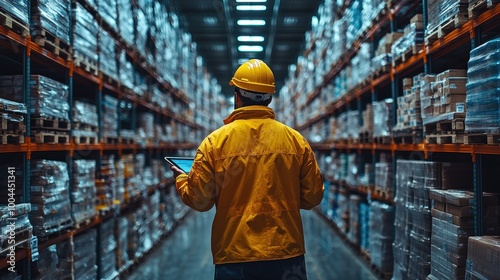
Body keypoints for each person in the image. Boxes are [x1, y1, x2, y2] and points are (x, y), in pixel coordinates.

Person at [171, 59, 324, 280]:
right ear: (269, 98)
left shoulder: (214, 143)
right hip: (286, 252)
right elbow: (313, 196)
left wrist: (182, 180)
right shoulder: (295, 141)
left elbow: (200, 201)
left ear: (237, 97)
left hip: (234, 255)